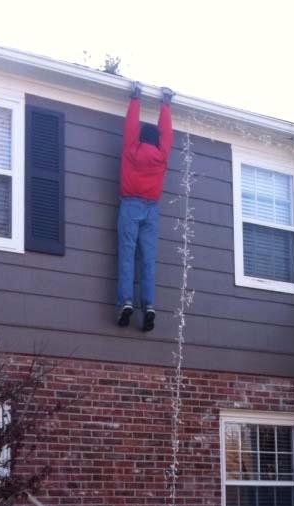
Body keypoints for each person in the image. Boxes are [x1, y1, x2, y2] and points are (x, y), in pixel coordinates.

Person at [116, 82, 174, 332]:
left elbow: (130, 126)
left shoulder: (132, 149)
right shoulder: (161, 155)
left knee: (127, 255)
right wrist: (166, 104)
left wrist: (136, 98)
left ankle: (126, 302)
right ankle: (148, 305)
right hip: (152, 209)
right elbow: (167, 134)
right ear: (157, 142)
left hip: (130, 206)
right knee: (148, 259)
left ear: (140, 138)